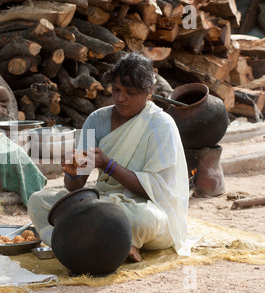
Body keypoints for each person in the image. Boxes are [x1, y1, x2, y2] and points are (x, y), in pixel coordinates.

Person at [28, 52, 189, 262]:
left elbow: (157, 191)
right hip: (101, 203)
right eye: (116, 90)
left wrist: (109, 165)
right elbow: (75, 189)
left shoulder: (161, 125)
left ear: (148, 92)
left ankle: (106, 241)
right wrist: (73, 173)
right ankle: (103, 242)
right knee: (39, 201)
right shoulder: (96, 119)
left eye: (130, 92)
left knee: (143, 219)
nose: (120, 98)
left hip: (144, 208)